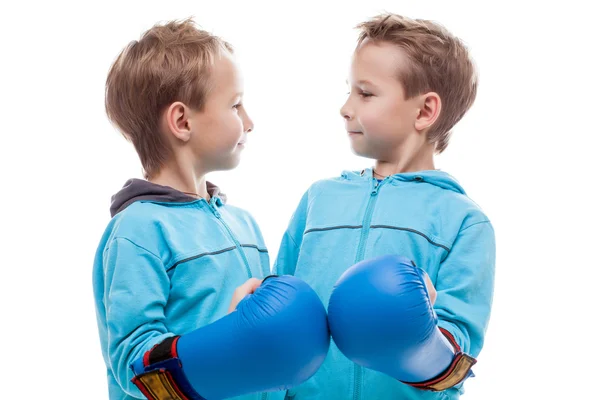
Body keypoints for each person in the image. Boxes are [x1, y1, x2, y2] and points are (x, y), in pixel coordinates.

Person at [92, 18, 329, 400]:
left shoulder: (243, 224)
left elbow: (271, 356)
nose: (250, 122)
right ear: (182, 121)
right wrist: (228, 341)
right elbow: (134, 367)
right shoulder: (139, 230)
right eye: (235, 105)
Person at [274, 13, 496, 400]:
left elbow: (455, 365)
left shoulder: (463, 221)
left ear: (425, 112)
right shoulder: (318, 200)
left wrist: (422, 340)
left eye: (366, 93)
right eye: (349, 91)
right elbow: (279, 305)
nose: (345, 107)